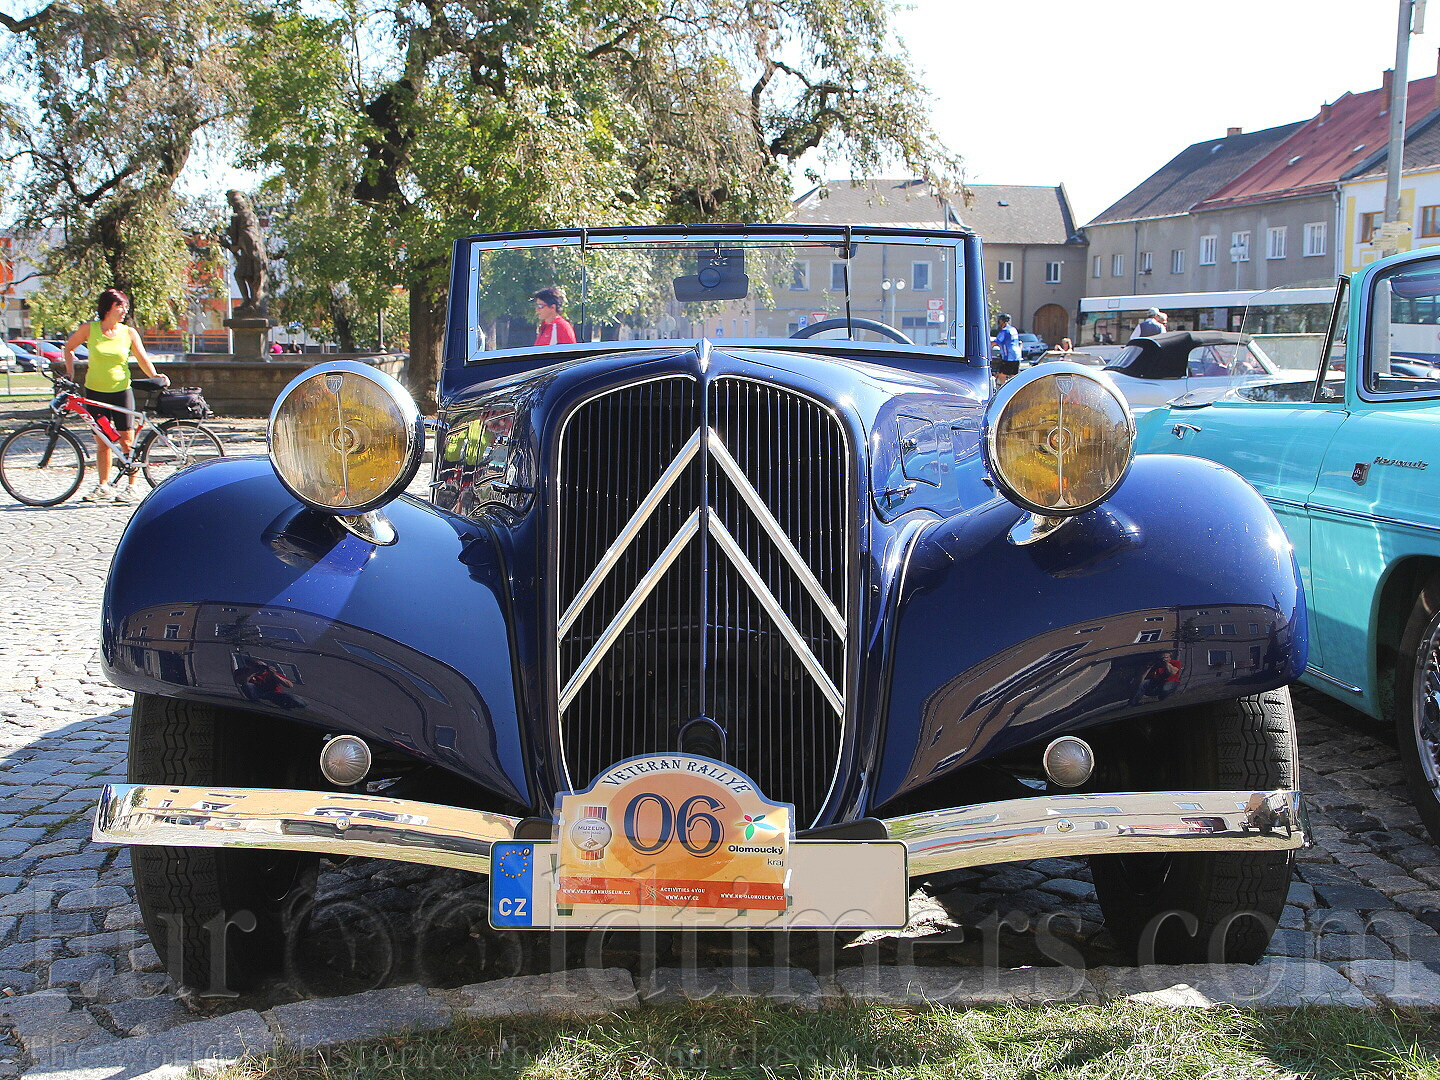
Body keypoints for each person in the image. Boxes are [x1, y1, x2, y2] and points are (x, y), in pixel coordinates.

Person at [63, 289, 168, 504]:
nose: (124, 311)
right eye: (120, 306)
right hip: (95, 393)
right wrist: (70, 373)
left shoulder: (128, 332)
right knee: (103, 441)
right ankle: (103, 486)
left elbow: (142, 358)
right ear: (108, 307)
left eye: (125, 307)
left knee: (127, 441)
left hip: (121, 392)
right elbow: (68, 348)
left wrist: (155, 375)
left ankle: (132, 487)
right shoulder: (89, 329)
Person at [991, 313, 1021, 386]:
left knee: (1002, 374)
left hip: (1008, 356)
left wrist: (987, 348)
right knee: (1013, 374)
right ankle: (1014, 388)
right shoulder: (1013, 329)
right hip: (1017, 355)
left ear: (1002, 321)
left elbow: (996, 342)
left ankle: (1003, 388)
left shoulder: (1004, 331)